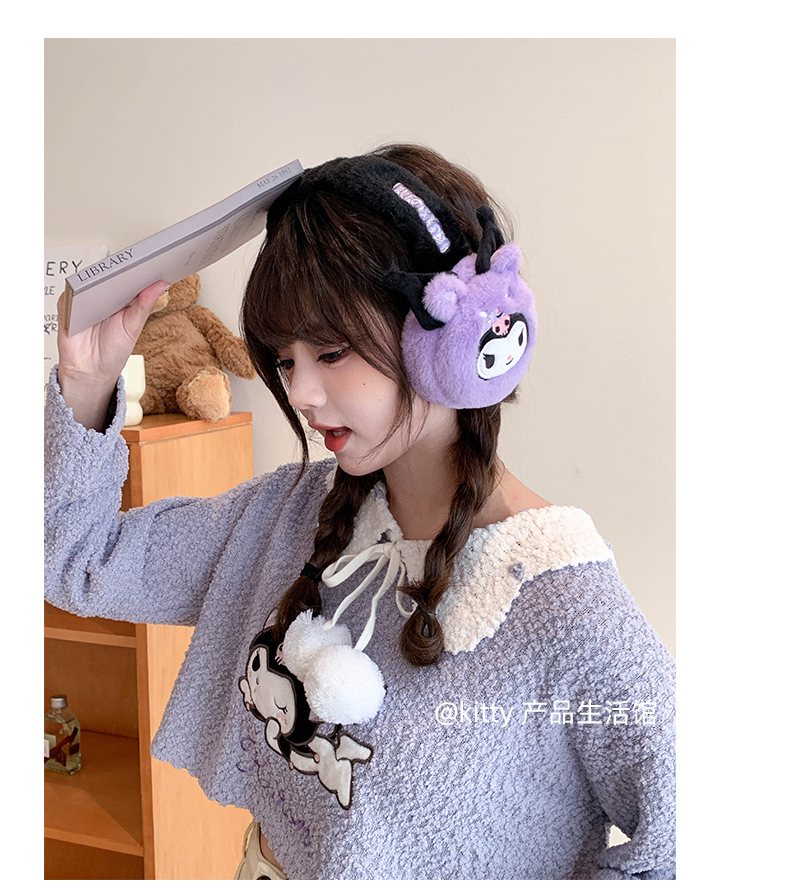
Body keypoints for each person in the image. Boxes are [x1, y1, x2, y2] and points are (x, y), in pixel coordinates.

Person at [45, 144, 675, 880]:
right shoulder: (289, 514)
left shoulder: (565, 605)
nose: (300, 393)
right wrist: (87, 380)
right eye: (286, 359)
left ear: (450, 338)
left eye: (332, 350)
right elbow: (77, 559)